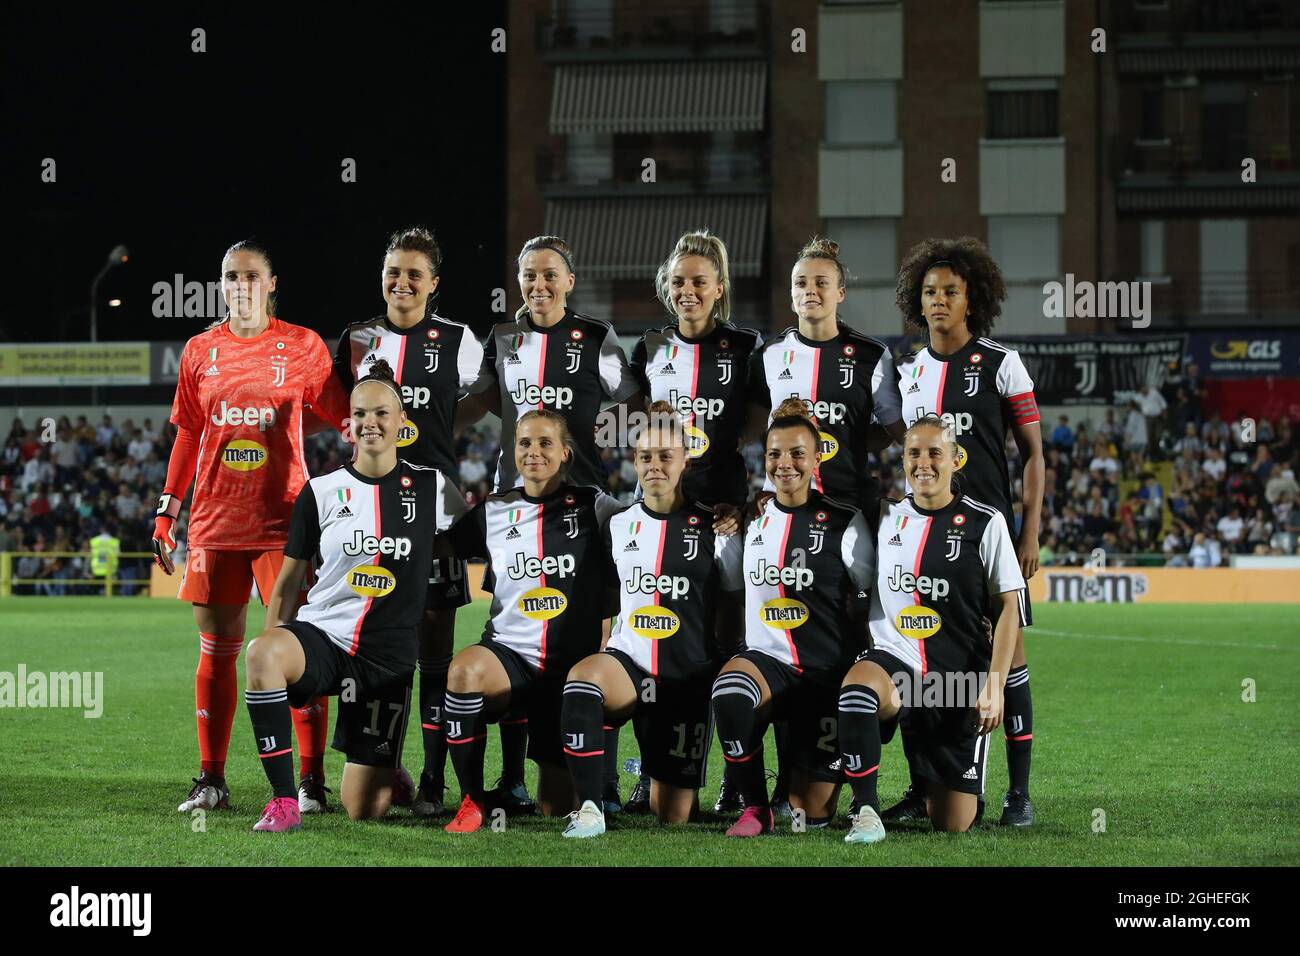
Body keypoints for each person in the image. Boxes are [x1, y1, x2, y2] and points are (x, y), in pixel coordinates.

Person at [153, 239, 350, 816]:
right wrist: (168, 510)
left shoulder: (303, 346)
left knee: (294, 650)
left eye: (251, 275)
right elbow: (189, 433)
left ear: (271, 284)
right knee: (215, 654)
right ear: (221, 285)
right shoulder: (199, 351)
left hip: (283, 524)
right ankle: (211, 779)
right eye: (230, 276)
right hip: (214, 523)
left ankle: (310, 782)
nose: (240, 284)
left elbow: (340, 415)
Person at [455, 235, 640, 812]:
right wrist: (417, 417)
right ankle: (509, 780)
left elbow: (634, 399)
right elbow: (482, 399)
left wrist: (657, 469)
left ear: (569, 281)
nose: (538, 285)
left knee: (588, 634)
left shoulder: (595, 338)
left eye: (549, 275)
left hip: (584, 510)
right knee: (511, 624)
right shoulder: (504, 338)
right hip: (516, 510)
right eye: (528, 275)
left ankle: (600, 778)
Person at [241, 361, 466, 832]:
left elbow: (475, 544)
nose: (370, 423)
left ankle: (390, 772)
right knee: (261, 653)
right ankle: (283, 801)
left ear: (403, 422)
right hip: (323, 637)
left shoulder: (433, 487)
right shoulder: (321, 491)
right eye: (360, 414)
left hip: (387, 659)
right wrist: (276, 656)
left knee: (365, 809)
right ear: (349, 423)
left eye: (382, 413)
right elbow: (286, 584)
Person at [743, 236, 903, 814]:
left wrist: (852, 460)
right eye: (799, 284)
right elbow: (758, 430)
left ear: (839, 291)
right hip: (783, 523)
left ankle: (848, 768)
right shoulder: (768, 356)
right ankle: (758, 787)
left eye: (819, 283)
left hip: (848, 522)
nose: (809, 292)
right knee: (780, 643)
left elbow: (892, 427)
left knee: (851, 644)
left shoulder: (871, 355)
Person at [330, 226, 485, 818]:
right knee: (374, 638)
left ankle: (434, 778)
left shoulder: (458, 340)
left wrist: (444, 422)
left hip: (440, 518)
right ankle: (378, 762)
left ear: (434, 284)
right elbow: (342, 406)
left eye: (415, 273)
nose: (402, 282)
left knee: (436, 653)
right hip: (374, 517)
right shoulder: (357, 341)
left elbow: (488, 395)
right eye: (394, 271)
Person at [891, 236, 1043, 826]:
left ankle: (1019, 795)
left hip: (991, 536)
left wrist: (1029, 533)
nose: (938, 301)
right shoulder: (907, 375)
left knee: (1012, 659)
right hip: (927, 540)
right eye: (929, 292)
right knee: (920, 654)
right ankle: (924, 785)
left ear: (971, 298)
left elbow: (1033, 454)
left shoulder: (1002, 364)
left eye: (950, 291)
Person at [559, 401, 744, 837]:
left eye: (666, 456)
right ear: (634, 461)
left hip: (687, 677)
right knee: (583, 680)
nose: (655, 465)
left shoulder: (716, 528)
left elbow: (732, 612)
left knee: (672, 816)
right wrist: (603, 649)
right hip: (630, 666)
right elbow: (609, 600)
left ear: (685, 459)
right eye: (645, 457)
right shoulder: (618, 524)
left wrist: (720, 668)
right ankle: (591, 807)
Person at [621, 229, 758, 814]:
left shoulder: (746, 347)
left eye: (700, 281)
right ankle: (650, 769)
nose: (688, 291)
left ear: (720, 287)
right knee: (649, 640)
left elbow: (761, 424)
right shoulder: (649, 348)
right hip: (656, 513)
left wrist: (746, 500)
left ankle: (734, 771)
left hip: (721, 511)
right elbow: (632, 424)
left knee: (723, 642)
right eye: (678, 281)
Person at [838, 415, 1024, 843]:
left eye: (934, 453)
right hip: (896, 664)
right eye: (913, 453)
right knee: (856, 692)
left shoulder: (985, 522)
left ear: (956, 459)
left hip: (955, 680)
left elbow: (1008, 608)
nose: (923, 463)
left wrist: (995, 685)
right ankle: (865, 810)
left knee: (953, 821)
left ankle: (930, 788)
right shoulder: (882, 519)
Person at [440, 410, 623, 832]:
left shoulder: (594, 506)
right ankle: (472, 801)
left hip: (569, 669)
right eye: (524, 443)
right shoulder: (494, 509)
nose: (533, 452)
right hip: (510, 658)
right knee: (464, 669)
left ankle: (596, 788)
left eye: (544, 443)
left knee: (554, 805)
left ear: (565, 453)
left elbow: (644, 527)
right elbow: (438, 548)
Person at [710, 400, 874, 837]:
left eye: (797, 453)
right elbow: (730, 599)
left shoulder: (845, 522)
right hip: (769, 664)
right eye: (775, 454)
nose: (785, 464)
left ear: (817, 457)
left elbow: (870, 601)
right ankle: (755, 808)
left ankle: (809, 787)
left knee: (811, 816)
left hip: (826, 676)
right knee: (728, 692)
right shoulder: (749, 521)